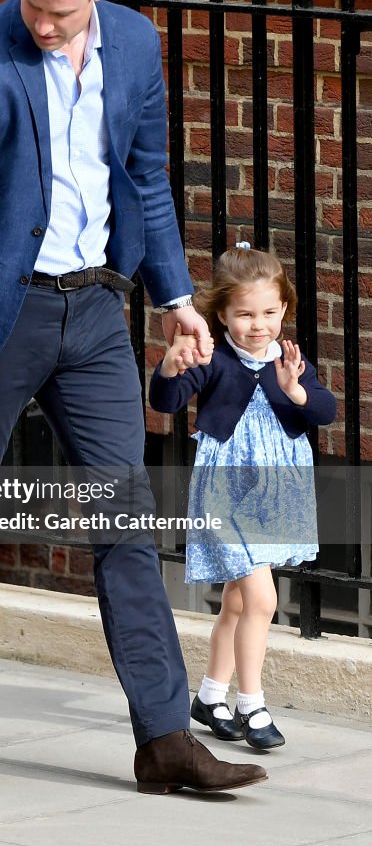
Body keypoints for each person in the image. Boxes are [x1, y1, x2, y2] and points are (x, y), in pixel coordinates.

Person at [0, 0, 268, 794]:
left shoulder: (134, 43)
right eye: (31, 5)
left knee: (123, 521)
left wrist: (175, 299)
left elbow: (146, 177)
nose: (41, 26)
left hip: (95, 306)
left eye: (59, 13)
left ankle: (165, 740)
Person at [149, 243, 336, 749]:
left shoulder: (290, 361)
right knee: (261, 598)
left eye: (270, 313)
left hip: (276, 492)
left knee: (236, 601)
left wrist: (297, 391)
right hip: (228, 490)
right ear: (222, 314)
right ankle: (252, 705)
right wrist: (169, 367)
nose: (259, 325)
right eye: (246, 314)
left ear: (284, 310)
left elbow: (324, 412)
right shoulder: (215, 359)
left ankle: (210, 697)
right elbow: (165, 402)